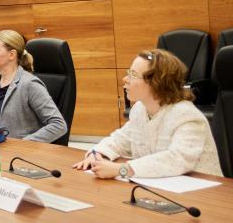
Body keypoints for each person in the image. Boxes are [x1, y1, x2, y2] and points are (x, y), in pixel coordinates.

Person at [73, 49, 222, 179]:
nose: (125, 79)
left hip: (202, 193)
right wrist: (97, 154)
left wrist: (122, 169)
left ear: (157, 83)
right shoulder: (139, 109)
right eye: (127, 73)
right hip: (162, 186)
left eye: (133, 74)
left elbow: (177, 160)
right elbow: (120, 140)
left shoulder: (186, 115)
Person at [0, 30, 66, 143]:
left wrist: (23, 144)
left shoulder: (30, 84)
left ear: (12, 54)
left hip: (22, 154)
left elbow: (58, 125)